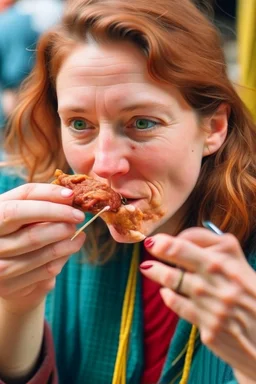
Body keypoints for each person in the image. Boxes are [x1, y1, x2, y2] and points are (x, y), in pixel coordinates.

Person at [0, 0, 256, 383]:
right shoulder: (23, 219)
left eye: (142, 122)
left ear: (214, 127)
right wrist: (16, 306)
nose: (104, 164)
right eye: (80, 124)